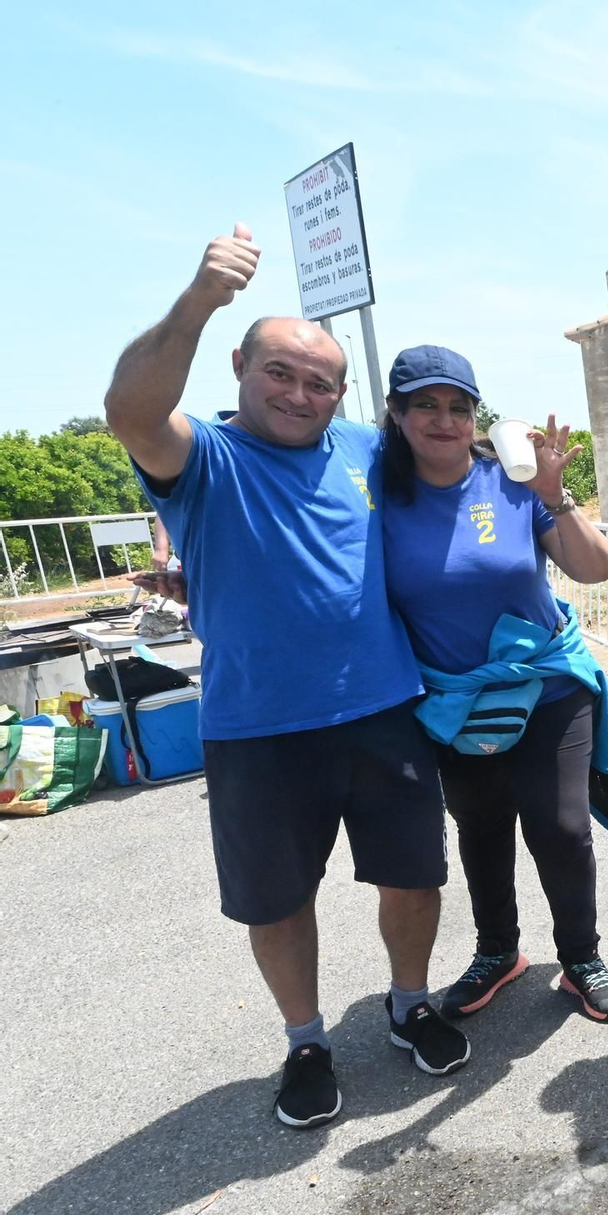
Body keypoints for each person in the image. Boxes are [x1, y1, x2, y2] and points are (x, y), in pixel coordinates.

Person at [103, 225, 466, 1130]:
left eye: (319, 381)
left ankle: (408, 1001)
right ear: (238, 366)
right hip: (258, 725)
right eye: (280, 373)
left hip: (386, 711)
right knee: (278, 898)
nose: (300, 393)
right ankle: (306, 1039)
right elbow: (131, 411)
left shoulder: (360, 450)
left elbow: (446, 484)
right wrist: (197, 297)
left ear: (344, 393)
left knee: (414, 877)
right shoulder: (204, 457)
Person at [376, 345, 608, 1026]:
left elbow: (596, 568)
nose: (445, 420)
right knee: (481, 826)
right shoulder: (379, 497)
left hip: (546, 684)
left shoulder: (513, 483)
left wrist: (555, 493)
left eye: (459, 407)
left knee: (560, 825)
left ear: (477, 418)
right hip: (454, 699)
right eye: (426, 405)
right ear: (396, 414)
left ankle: (580, 956)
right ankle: (498, 951)